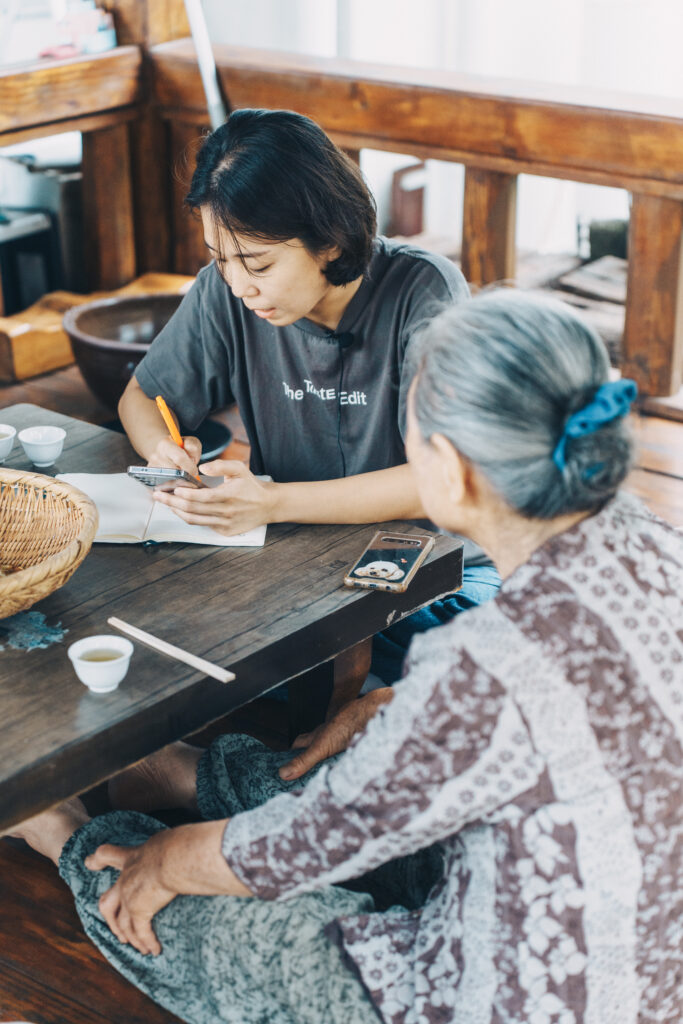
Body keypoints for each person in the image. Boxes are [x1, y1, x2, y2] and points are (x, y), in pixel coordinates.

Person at [11, 290, 682, 1023]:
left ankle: (67, 833)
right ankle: (184, 773)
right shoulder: (653, 544)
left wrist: (165, 861)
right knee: (341, 772)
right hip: (645, 953)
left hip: (517, 1000)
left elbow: (311, 840)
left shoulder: (486, 663)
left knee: (235, 921)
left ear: (452, 470)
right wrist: (397, 705)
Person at [118, 107, 499, 685]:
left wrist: (273, 503)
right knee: (169, 641)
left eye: (259, 263)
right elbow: (142, 398)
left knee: (463, 664)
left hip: (438, 568)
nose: (240, 285)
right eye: (220, 260)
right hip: (298, 566)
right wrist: (161, 452)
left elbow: (438, 480)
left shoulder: (424, 292)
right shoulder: (224, 293)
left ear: (327, 239)